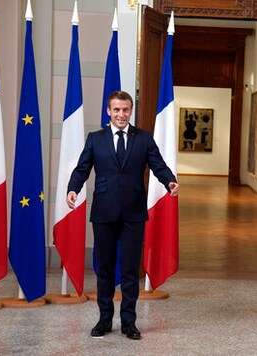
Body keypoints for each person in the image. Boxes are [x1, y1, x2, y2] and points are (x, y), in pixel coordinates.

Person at [66, 90, 180, 340]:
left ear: (131, 111)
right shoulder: (96, 139)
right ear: (109, 111)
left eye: (125, 109)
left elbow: (158, 165)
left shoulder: (144, 138)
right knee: (105, 270)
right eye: (116, 110)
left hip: (133, 213)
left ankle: (129, 322)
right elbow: (82, 168)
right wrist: (73, 188)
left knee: (129, 271)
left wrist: (169, 181)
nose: (121, 114)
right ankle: (104, 319)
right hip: (104, 212)